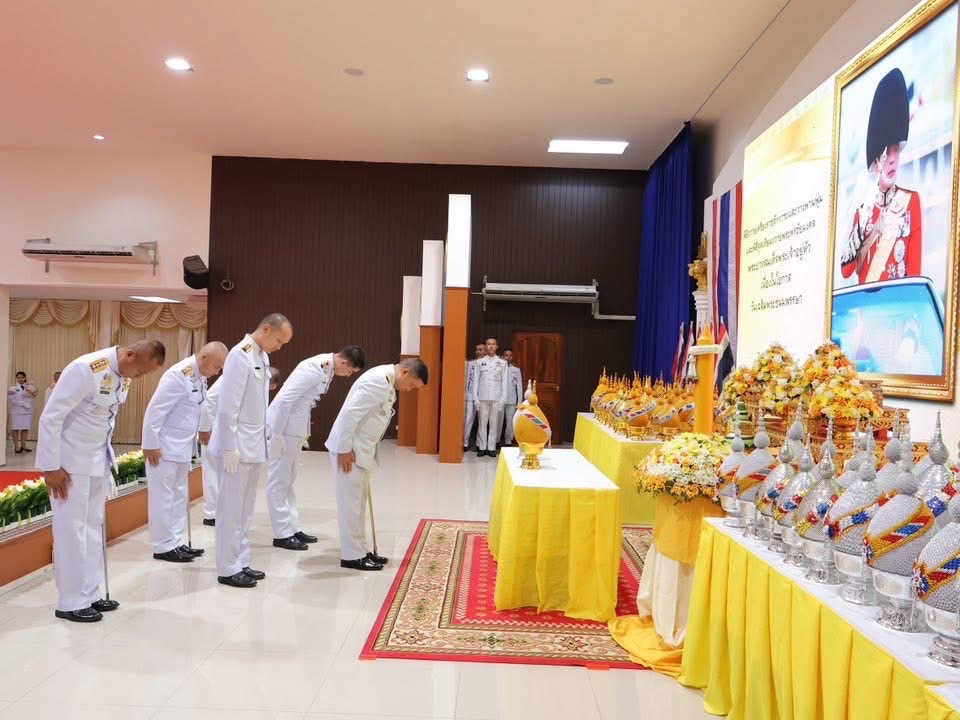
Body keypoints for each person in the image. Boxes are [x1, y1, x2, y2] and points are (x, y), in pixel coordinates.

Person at [36, 340, 166, 622]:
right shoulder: (86, 369)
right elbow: (51, 417)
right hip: (69, 465)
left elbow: (104, 420)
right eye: (141, 371)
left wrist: (106, 462)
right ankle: (71, 600)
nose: (139, 377)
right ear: (129, 354)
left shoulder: (121, 374)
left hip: (96, 461)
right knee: (71, 530)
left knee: (93, 528)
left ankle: (90, 593)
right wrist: (51, 467)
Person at [208, 314, 293, 588]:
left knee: (245, 510)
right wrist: (228, 447)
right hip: (236, 447)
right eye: (278, 340)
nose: (279, 347)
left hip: (254, 446)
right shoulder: (239, 355)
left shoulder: (262, 356)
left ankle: (241, 560)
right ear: (266, 329)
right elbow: (228, 407)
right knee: (231, 510)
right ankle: (227, 567)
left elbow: (259, 406)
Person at [326, 358, 428, 570]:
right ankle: (352, 556)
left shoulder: (388, 382)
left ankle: (360, 550)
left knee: (358, 504)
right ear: (405, 372)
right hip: (350, 451)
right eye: (411, 385)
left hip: (360, 450)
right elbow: (350, 414)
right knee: (351, 506)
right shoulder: (379, 381)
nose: (409, 390)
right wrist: (344, 449)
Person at [267, 346, 365, 551]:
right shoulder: (314, 369)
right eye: (350, 371)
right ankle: (281, 533)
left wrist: (303, 433)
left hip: (293, 429)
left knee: (288, 480)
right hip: (283, 429)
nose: (348, 375)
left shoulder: (326, 369)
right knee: (279, 480)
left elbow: (306, 403)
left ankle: (292, 527)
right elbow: (285, 400)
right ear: (344, 363)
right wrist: (276, 433)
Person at [143, 342, 228, 563]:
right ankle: (163, 545)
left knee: (179, 496)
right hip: (164, 447)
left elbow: (201, 405)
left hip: (182, 447)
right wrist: (150, 444)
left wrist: (204, 429)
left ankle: (176, 541)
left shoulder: (199, 376)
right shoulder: (177, 375)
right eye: (217, 366)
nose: (218, 372)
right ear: (204, 357)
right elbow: (155, 411)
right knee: (163, 497)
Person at [841, 67, 922, 284]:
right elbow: (846, 271)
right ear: (877, 162)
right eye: (887, 154)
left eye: (896, 151)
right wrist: (861, 226)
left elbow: (914, 274)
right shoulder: (863, 212)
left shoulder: (910, 202)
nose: (892, 159)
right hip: (866, 305)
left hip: (898, 304)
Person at [198, 366, 281, 528]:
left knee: (223, 475)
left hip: (225, 432)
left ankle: (220, 512)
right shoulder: (235, 375)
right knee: (212, 472)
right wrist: (206, 428)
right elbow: (209, 401)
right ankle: (211, 514)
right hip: (212, 431)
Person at [471, 337, 509, 458]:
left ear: (496, 347)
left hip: (496, 397)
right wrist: (475, 398)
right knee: (482, 423)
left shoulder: (502, 363)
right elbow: (476, 381)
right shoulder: (479, 362)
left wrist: (503, 399)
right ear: (486, 347)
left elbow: (505, 382)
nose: (491, 346)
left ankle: (491, 447)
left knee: (494, 423)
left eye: (493, 344)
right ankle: (482, 447)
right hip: (482, 397)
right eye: (488, 344)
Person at [8, 371, 38, 454]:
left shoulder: (29, 387)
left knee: (25, 428)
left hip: (27, 411)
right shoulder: (13, 388)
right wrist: (22, 403)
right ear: (16, 378)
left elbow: (34, 396)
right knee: (16, 429)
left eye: (22, 377)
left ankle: (23, 445)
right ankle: (16, 446)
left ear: (25, 378)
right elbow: (11, 399)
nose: (20, 379)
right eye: (18, 377)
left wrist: (29, 402)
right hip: (17, 411)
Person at [462, 343, 484, 450]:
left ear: (485, 351)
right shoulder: (470, 364)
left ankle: (479, 444)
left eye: (480, 349)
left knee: (482, 421)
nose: (478, 351)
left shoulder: (489, 363)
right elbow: (466, 380)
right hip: (470, 396)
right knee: (468, 419)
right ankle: (465, 443)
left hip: (483, 396)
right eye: (477, 349)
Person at [501, 349, 524, 446]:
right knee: (498, 422)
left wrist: (519, 401)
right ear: (503, 357)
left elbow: (519, 386)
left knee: (510, 421)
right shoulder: (499, 368)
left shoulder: (516, 370)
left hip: (512, 399)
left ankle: (508, 440)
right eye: (506, 355)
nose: (508, 357)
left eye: (510, 355)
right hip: (500, 399)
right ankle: (496, 440)